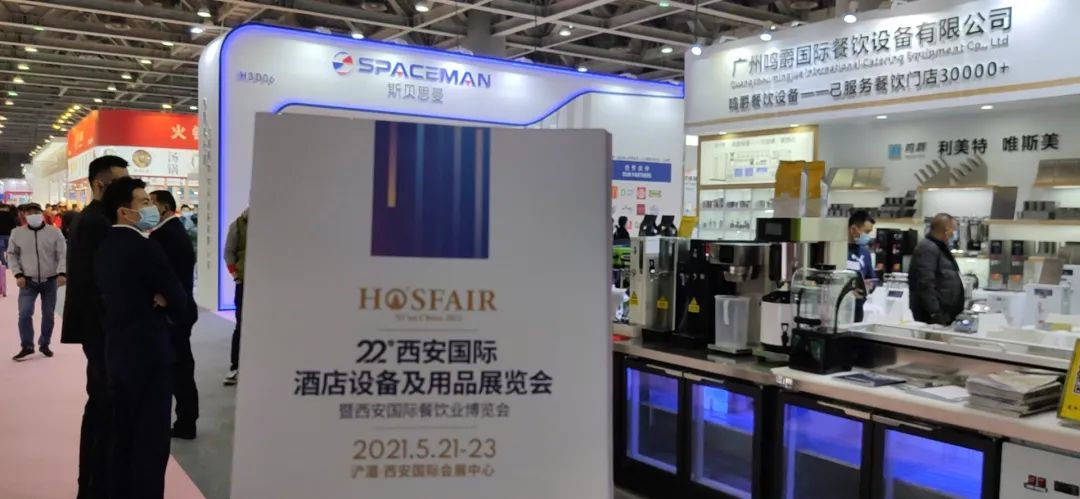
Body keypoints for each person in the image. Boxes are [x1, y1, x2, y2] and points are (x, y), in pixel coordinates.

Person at [96, 177, 186, 499]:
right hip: (150, 355)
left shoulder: (105, 247)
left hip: (117, 352)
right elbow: (179, 299)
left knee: (122, 438)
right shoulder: (145, 247)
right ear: (125, 212)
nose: (151, 208)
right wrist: (166, 301)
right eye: (144, 202)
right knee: (150, 443)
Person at [63, 154, 129, 499]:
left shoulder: (97, 219)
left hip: (100, 328)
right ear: (100, 184)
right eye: (121, 182)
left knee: (104, 405)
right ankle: (93, 485)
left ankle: (96, 483)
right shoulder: (95, 223)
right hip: (101, 329)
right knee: (103, 406)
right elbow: (99, 283)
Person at [149, 190, 200, 439]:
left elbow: (169, 275)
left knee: (179, 370)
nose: (147, 208)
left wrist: (165, 299)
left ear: (165, 207)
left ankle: (185, 423)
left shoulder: (166, 235)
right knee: (181, 368)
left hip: (174, 313)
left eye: (151, 203)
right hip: (180, 310)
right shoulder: (171, 231)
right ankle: (186, 421)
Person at [7, 203, 66, 360]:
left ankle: (44, 344)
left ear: (41, 213)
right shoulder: (17, 233)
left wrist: (62, 272)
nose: (33, 214)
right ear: (24, 215)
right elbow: (12, 254)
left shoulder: (54, 232)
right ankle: (27, 346)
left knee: (48, 315)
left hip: (50, 281)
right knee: (24, 314)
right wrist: (18, 274)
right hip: (27, 282)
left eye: (36, 211)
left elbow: (62, 253)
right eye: (29, 212)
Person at [909, 213, 965, 326]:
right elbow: (924, 283)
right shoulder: (927, 248)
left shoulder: (939, 247)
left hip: (945, 314)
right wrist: (935, 312)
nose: (954, 233)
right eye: (953, 229)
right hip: (933, 317)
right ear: (946, 229)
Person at [223, 208, 248, 386]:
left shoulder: (272, 223)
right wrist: (235, 275)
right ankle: (235, 366)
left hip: (266, 283)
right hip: (244, 282)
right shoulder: (238, 225)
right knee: (241, 325)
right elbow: (229, 252)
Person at [846, 210, 876, 322]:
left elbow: (871, 277)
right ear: (853, 229)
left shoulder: (865, 252)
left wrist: (869, 285)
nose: (868, 237)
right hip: (840, 308)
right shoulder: (838, 251)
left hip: (858, 309)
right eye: (866, 232)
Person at [0, 203, 17, 297]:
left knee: (1, 251)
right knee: (9, 250)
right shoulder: (10, 215)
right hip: (9, 235)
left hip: (0, 236)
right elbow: (14, 226)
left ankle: (4, 264)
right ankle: (9, 263)